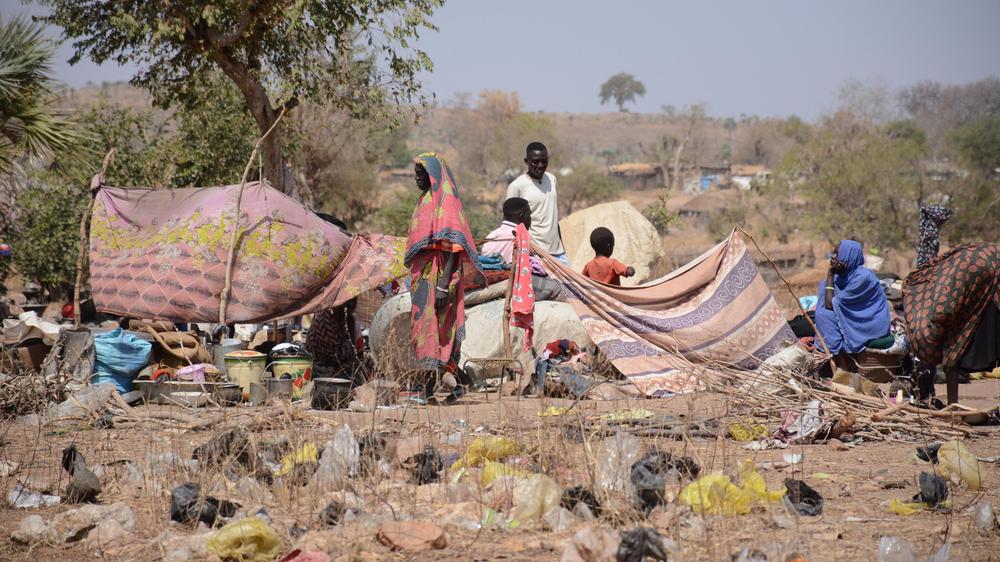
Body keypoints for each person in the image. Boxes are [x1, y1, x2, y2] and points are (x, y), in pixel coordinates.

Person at [404, 152, 483, 400]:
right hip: (424, 278)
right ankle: (453, 385)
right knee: (428, 330)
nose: (417, 179)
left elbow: (452, 247)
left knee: (436, 331)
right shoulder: (426, 199)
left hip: (439, 278)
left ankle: (433, 389)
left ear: (434, 175)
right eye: (416, 174)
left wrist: (441, 286)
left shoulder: (446, 201)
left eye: (421, 174)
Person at [815, 239, 890, 355]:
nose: (833, 257)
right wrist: (830, 278)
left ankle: (839, 353)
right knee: (823, 308)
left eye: (837, 254)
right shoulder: (841, 277)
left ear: (849, 255)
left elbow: (830, 305)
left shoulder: (863, 277)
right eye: (833, 253)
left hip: (869, 323)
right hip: (853, 318)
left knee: (824, 315)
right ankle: (835, 349)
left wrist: (830, 273)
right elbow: (828, 303)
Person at [505, 142, 568, 264]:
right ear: (526, 161)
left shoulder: (551, 179)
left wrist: (561, 246)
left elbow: (552, 215)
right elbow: (510, 224)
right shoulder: (517, 186)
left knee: (568, 283)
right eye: (535, 162)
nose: (540, 165)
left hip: (559, 253)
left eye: (544, 161)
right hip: (534, 254)